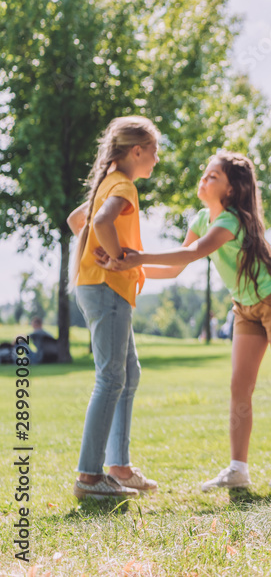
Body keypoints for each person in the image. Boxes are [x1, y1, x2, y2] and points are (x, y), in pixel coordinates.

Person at [97, 151, 271, 492]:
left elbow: (191, 253)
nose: (204, 179)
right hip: (245, 307)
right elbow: (173, 269)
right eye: (205, 173)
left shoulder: (230, 220)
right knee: (239, 386)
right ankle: (238, 469)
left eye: (214, 177)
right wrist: (127, 266)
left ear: (231, 190)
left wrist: (135, 258)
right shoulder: (201, 219)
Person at [66, 115, 162, 500]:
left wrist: (98, 250)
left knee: (128, 373)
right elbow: (101, 220)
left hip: (102, 288)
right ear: (136, 151)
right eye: (153, 153)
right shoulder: (123, 185)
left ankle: (118, 467)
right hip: (106, 288)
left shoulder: (106, 182)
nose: (156, 160)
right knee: (111, 379)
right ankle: (89, 478)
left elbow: (78, 220)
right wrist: (119, 257)